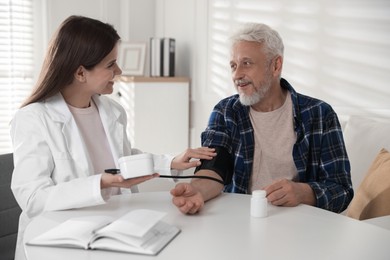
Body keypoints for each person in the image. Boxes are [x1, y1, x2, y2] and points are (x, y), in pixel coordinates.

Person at [10, 15, 216, 260]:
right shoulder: (33, 119)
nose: (119, 71)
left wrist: (171, 161)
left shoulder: (112, 110)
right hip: (60, 240)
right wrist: (101, 184)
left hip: (116, 229)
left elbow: (124, 159)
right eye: (111, 65)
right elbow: (33, 198)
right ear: (80, 73)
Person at [171, 23, 353, 215]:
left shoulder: (320, 114)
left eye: (247, 63)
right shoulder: (225, 112)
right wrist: (198, 190)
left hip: (300, 224)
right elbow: (214, 168)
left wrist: (303, 192)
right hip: (240, 220)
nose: (237, 75)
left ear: (276, 65)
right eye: (233, 65)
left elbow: (342, 190)